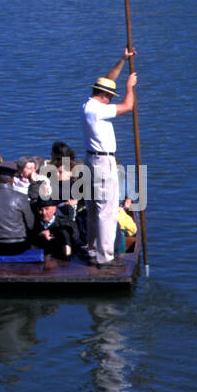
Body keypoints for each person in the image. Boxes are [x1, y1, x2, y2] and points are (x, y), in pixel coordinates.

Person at [81, 49, 137, 266]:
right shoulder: (98, 110)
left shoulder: (88, 104)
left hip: (91, 161)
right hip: (103, 163)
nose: (110, 100)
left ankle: (94, 250)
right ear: (104, 97)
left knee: (95, 207)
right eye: (110, 97)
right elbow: (128, 106)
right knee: (107, 210)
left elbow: (108, 80)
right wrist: (129, 87)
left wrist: (123, 60)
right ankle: (105, 257)